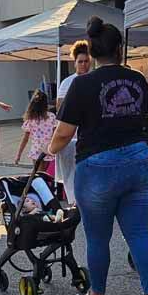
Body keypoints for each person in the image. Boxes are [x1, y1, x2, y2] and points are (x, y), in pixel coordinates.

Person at [48, 16, 148, 295]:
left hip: (98, 166)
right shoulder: (137, 79)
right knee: (139, 232)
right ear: (120, 50)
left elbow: (64, 133)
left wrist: (50, 150)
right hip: (139, 161)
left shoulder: (82, 84)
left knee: (98, 237)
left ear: (94, 53)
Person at [55, 40, 91, 204]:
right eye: (80, 62)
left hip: (90, 134)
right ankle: (74, 200)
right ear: (75, 62)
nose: (83, 65)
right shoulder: (68, 82)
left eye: (86, 61)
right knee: (71, 171)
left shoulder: (94, 79)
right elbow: (60, 109)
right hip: (72, 135)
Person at [15, 90, 57, 175]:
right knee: (50, 176)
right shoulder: (52, 117)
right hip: (50, 149)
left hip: (37, 151)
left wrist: (18, 154)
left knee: (39, 176)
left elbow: (25, 139)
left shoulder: (31, 119)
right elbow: (56, 134)